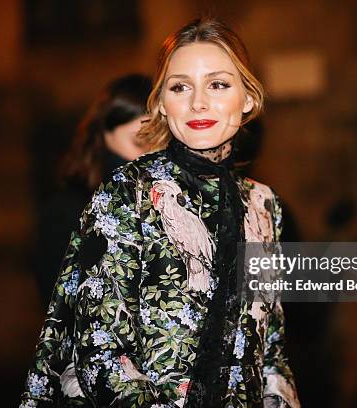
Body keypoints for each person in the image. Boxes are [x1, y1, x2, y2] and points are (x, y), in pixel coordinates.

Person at [20, 18, 301, 408]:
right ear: (162, 106)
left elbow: (268, 349)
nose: (198, 102)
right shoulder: (127, 192)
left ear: (248, 98)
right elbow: (100, 350)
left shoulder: (263, 204)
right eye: (180, 86)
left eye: (218, 84)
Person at [33, 74, 152, 308]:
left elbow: (246, 294)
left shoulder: (174, 199)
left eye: (158, 143)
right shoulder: (69, 212)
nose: (147, 156)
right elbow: (60, 305)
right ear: (104, 133)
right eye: (139, 143)